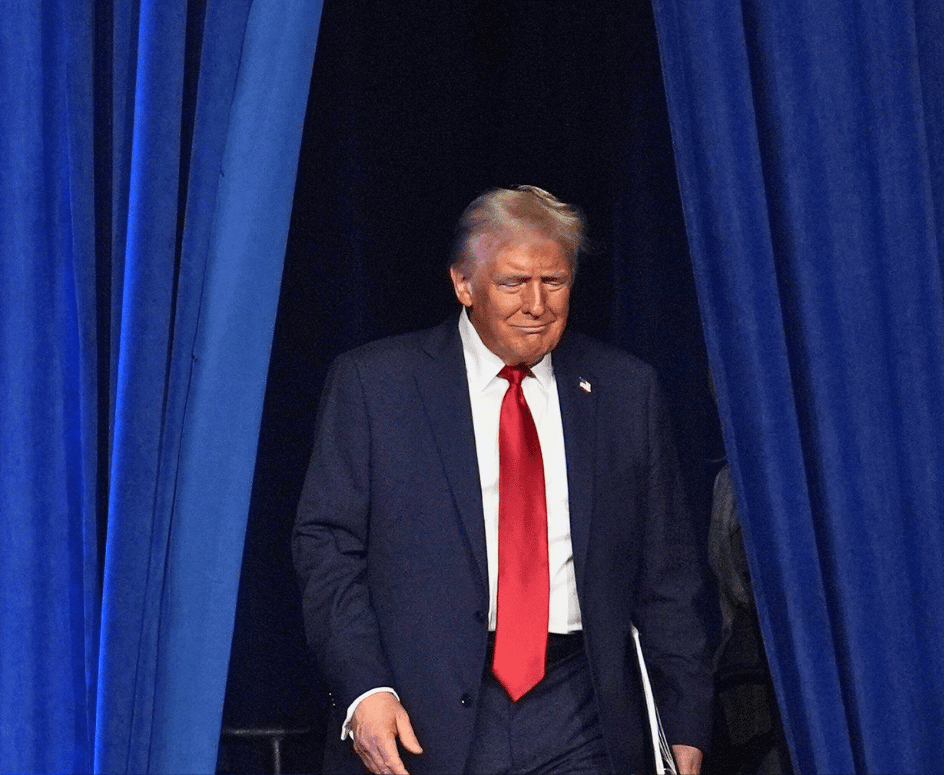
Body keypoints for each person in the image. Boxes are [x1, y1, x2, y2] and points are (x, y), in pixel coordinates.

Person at [293, 186, 712, 774]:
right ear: (464, 285)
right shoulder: (375, 386)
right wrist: (365, 690)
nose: (537, 304)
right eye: (513, 283)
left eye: (555, 282)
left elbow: (667, 571)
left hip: (582, 705)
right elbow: (328, 552)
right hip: (426, 710)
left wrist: (685, 723)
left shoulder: (624, 392)